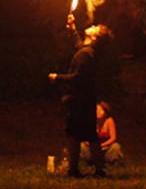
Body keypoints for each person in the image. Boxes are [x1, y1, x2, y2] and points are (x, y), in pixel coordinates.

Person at [49, 14, 114, 178]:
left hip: (79, 100)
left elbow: (78, 78)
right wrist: (72, 27)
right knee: (88, 134)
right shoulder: (88, 51)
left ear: (93, 37)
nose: (92, 25)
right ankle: (98, 170)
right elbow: (78, 44)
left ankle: (74, 170)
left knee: (74, 134)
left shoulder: (86, 55)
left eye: (95, 28)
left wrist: (57, 77)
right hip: (85, 99)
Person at [80, 101, 124, 166]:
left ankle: (111, 163)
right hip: (91, 147)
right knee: (81, 146)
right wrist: (91, 144)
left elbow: (113, 138)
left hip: (105, 147)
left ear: (105, 112)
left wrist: (101, 145)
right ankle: (87, 162)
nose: (98, 112)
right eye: (96, 110)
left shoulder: (109, 121)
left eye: (101, 110)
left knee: (116, 147)